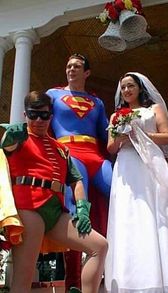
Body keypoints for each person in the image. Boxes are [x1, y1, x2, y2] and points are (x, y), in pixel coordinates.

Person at [0, 91, 108, 293]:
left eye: (44, 115)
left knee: (99, 246)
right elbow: (7, 144)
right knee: (23, 277)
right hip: (29, 207)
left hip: (57, 211)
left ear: (51, 116)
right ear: (25, 115)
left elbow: (76, 181)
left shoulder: (61, 148)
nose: (39, 120)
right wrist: (8, 137)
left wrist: (83, 209)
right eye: (33, 114)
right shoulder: (19, 136)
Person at [104, 72, 168, 293]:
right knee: (131, 215)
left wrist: (138, 134)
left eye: (130, 86)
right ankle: (132, 279)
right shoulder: (116, 116)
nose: (127, 91)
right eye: (123, 87)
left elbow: (167, 136)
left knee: (157, 211)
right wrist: (120, 137)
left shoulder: (153, 109)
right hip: (126, 167)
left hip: (150, 164)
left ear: (139, 88)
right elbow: (110, 147)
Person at [46, 53, 112, 292]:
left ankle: (123, 265)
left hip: (95, 154)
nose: (71, 69)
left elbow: (107, 135)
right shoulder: (52, 95)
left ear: (87, 73)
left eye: (77, 66)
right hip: (69, 153)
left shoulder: (97, 102)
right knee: (76, 213)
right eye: (68, 66)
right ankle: (73, 282)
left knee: (121, 196)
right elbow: (38, 120)